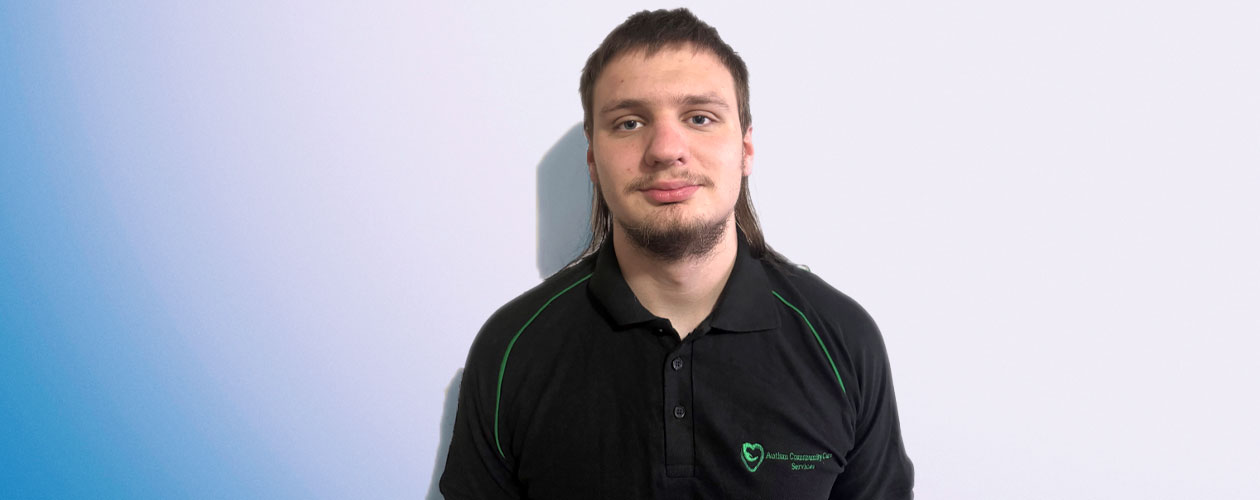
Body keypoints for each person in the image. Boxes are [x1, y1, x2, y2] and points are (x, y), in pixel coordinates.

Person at [440, 8, 913, 499]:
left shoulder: (843, 342)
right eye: (628, 123)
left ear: (746, 148)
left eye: (700, 118)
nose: (666, 149)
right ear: (593, 161)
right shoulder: (511, 350)